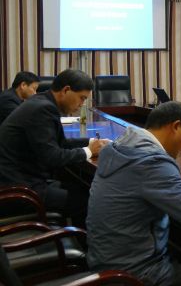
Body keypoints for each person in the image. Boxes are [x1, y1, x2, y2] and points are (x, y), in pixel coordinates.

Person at [87, 101, 181, 286]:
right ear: (176, 126)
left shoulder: (119, 147)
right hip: (133, 274)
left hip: (103, 263)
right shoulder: (151, 163)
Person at [0, 69, 108, 225]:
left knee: (81, 187)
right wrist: (89, 151)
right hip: (19, 190)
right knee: (88, 200)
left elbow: (59, 143)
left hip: (21, 178)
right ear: (66, 90)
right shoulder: (43, 108)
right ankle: (79, 239)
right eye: (82, 98)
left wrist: (90, 142)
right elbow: (52, 157)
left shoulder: (42, 101)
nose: (82, 105)